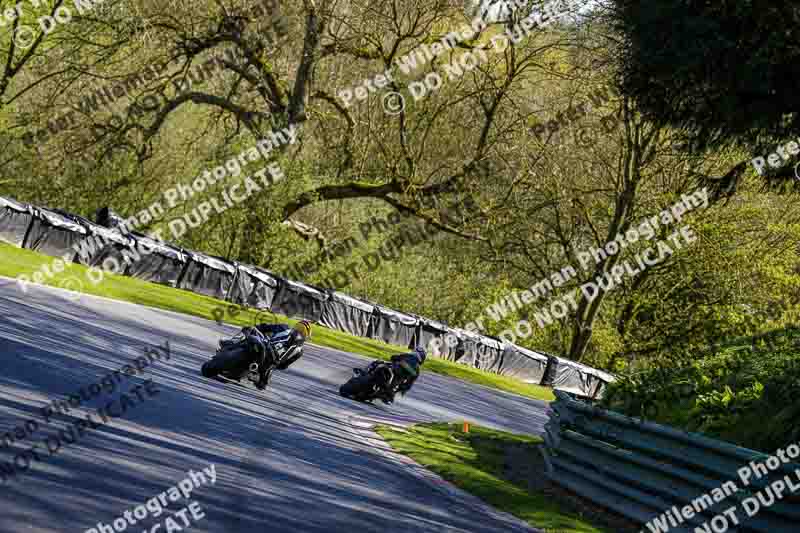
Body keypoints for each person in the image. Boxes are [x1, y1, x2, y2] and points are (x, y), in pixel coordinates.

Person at [220, 319, 312, 389]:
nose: (300, 332)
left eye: (302, 331)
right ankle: (231, 343)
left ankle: (249, 372)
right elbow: (266, 327)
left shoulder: (298, 350)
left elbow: (284, 365)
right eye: (300, 328)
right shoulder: (285, 329)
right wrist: (258, 328)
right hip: (266, 350)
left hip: (270, 363)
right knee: (250, 330)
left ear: (306, 336)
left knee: (261, 385)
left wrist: (274, 364)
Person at [354, 347, 426, 403]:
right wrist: (400, 389)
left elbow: (393, 357)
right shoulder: (415, 367)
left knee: (378, 363)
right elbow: (408, 385)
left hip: (393, 378)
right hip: (392, 375)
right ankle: (365, 374)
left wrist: (399, 389)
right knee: (378, 363)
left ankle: (365, 374)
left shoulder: (410, 361)